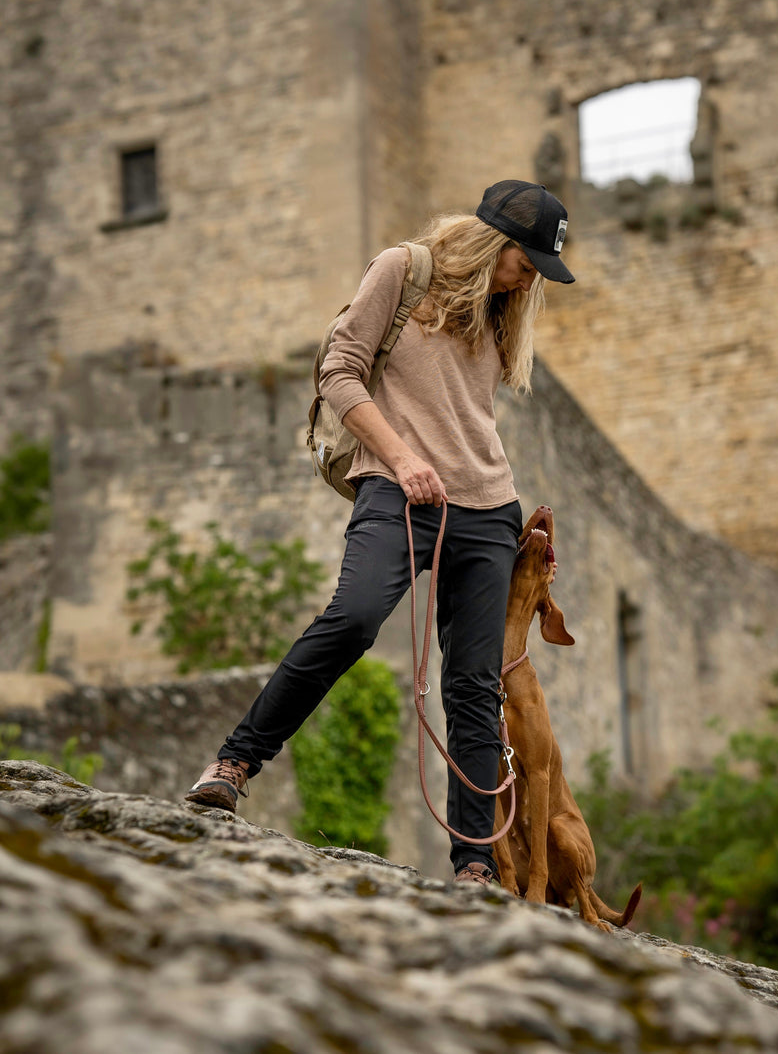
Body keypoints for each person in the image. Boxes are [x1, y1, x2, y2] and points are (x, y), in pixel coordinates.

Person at [184, 179, 575, 885]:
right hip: (397, 489)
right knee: (355, 616)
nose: (528, 281)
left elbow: (468, 415)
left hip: (488, 509)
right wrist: (400, 457)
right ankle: (235, 762)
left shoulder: (500, 312)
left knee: (473, 682)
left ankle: (474, 865)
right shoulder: (402, 270)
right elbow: (339, 372)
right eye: (526, 263)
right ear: (495, 242)